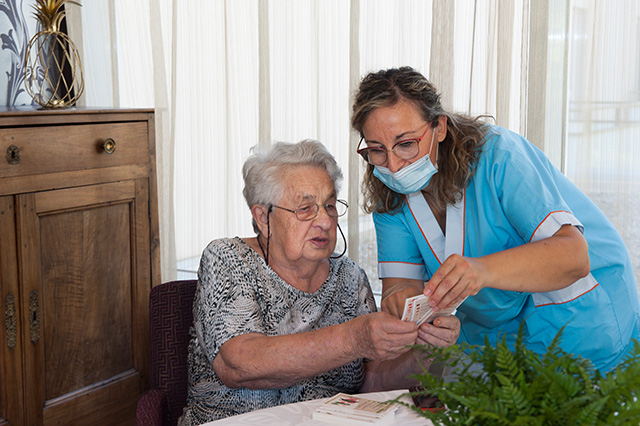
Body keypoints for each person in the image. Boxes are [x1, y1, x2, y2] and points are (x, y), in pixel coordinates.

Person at [350, 66, 640, 372]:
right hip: (493, 333)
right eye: (377, 150)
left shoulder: (500, 157)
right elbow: (401, 287)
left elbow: (575, 256)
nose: (393, 166)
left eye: (406, 144)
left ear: (440, 128)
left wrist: (480, 271)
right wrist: (415, 314)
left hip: (580, 313)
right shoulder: (390, 194)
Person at [177, 139, 460, 425]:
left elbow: (371, 386)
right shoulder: (228, 258)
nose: (325, 221)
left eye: (329, 205)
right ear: (263, 218)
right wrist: (355, 338)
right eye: (305, 208)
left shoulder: (350, 277)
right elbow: (239, 364)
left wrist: (422, 349)